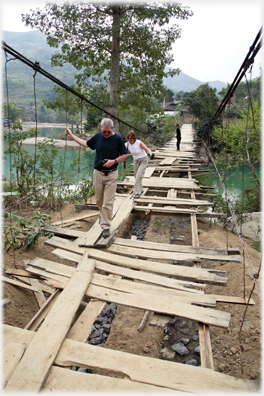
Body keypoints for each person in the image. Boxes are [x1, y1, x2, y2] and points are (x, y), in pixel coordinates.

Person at [65, 118, 127, 238]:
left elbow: (125, 155)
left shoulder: (118, 139)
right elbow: (85, 144)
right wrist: (71, 135)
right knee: (99, 200)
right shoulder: (98, 136)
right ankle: (102, 215)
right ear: (101, 128)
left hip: (112, 175)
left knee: (108, 203)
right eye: (104, 131)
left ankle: (105, 226)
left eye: (108, 132)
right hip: (98, 173)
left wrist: (113, 161)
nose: (106, 134)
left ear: (112, 129)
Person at [125, 130, 155, 198]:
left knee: (139, 175)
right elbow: (121, 149)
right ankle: (141, 189)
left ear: (134, 138)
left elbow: (147, 149)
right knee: (136, 176)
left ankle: (137, 192)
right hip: (135, 160)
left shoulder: (139, 143)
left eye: (131, 138)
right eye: (128, 138)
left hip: (143, 160)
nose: (130, 140)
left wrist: (151, 154)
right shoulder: (127, 144)